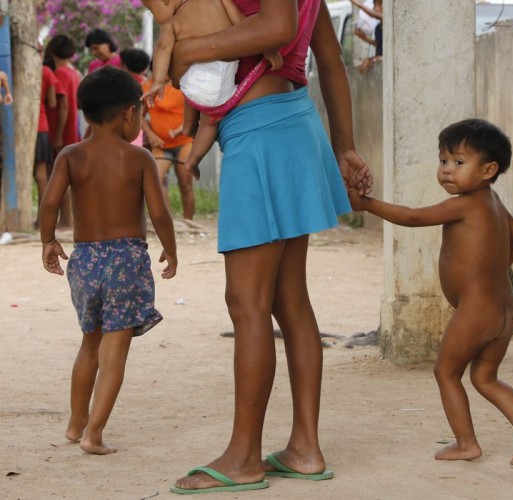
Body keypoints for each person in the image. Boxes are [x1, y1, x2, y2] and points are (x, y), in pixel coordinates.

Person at [163, 0, 372, 494]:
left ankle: (243, 457)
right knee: (287, 299)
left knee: (247, 302)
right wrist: (343, 144)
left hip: (261, 133)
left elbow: (276, 27)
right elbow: (329, 58)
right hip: (288, 122)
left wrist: (189, 47)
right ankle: (303, 449)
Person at [349, 118, 513, 465]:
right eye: (442, 161)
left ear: (488, 169)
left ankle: (466, 443)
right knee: (485, 376)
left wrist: (368, 204)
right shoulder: (493, 202)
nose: (446, 171)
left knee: (446, 372)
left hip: (476, 311)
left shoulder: (467, 203)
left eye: (458, 162)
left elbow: (411, 217)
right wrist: (494, 268)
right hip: (503, 310)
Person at [39, 66, 178, 455]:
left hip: (84, 260)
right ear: (129, 114)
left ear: (84, 112)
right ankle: (94, 434)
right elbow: (160, 213)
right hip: (126, 260)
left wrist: (48, 241)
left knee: (89, 345)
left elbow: (49, 203)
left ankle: (75, 422)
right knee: (113, 352)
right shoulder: (139, 158)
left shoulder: (70, 155)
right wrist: (171, 247)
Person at [141, 0, 283, 180]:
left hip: (192, 82)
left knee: (194, 95)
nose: (154, 16)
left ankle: (188, 128)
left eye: (151, 9)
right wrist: (266, 48)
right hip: (220, 80)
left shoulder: (172, 23)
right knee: (210, 122)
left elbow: (163, 48)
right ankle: (194, 158)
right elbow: (242, 23)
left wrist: (158, 81)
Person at [142, 73, 196, 219]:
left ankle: (188, 222)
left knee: (185, 184)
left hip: (183, 142)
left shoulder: (183, 85)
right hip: (160, 144)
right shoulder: (147, 87)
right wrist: (150, 134)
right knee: (156, 181)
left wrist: (179, 130)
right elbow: (139, 115)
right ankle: (169, 221)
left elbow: (196, 113)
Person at [44, 34, 82, 228]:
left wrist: (58, 134)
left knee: (59, 175)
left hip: (62, 130)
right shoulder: (75, 73)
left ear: (51, 51)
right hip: (73, 129)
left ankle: (66, 219)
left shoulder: (59, 73)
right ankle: (69, 217)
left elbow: (64, 105)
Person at [34, 63, 58, 228]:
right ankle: (41, 221)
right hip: (40, 125)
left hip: (11, 127)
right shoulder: (45, 71)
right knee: (41, 175)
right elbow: (52, 102)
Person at [349, 0, 382, 74]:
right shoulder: (378, 27)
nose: (375, 9)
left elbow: (375, 15)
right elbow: (379, 45)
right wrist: (364, 37)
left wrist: (356, 3)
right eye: (375, 5)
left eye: (379, 5)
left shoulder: (388, 22)